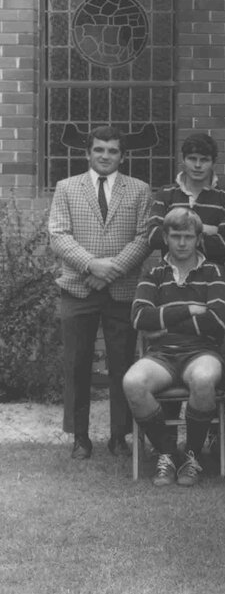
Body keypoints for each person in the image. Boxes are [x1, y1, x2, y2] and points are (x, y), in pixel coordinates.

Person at [48, 124, 152, 460]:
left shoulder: (139, 190)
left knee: (122, 363)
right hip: (78, 288)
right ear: (87, 152)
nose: (105, 156)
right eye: (99, 150)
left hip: (121, 291)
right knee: (77, 363)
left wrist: (112, 270)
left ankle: (119, 436)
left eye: (112, 151)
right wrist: (92, 266)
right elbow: (59, 235)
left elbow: (144, 238)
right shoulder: (67, 187)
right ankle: (80, 437)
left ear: (122, 156)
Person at [124, 208, 225, 486]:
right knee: (133, 382)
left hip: (202, 351)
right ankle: (168, 453)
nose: (182, 243)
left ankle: (192, 456)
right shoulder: (153, 272)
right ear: (165, 237)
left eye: (188, 237)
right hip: (161, 354)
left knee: (203, 378)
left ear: (199, 239)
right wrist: (189, 308)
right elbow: (139, 318)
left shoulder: (214, 272)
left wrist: (165, 323)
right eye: (175, 236)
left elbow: (217, 321)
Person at [146, 132, 225, 269]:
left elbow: (224, 246)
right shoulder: (166, 193)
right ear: (183, 159)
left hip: (211, 276)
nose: (198, 165)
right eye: (192, 159)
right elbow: (153, 237)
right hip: (170, 275)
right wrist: (207, 229)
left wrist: (173, 232)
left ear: (214, 162)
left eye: (204, 160)